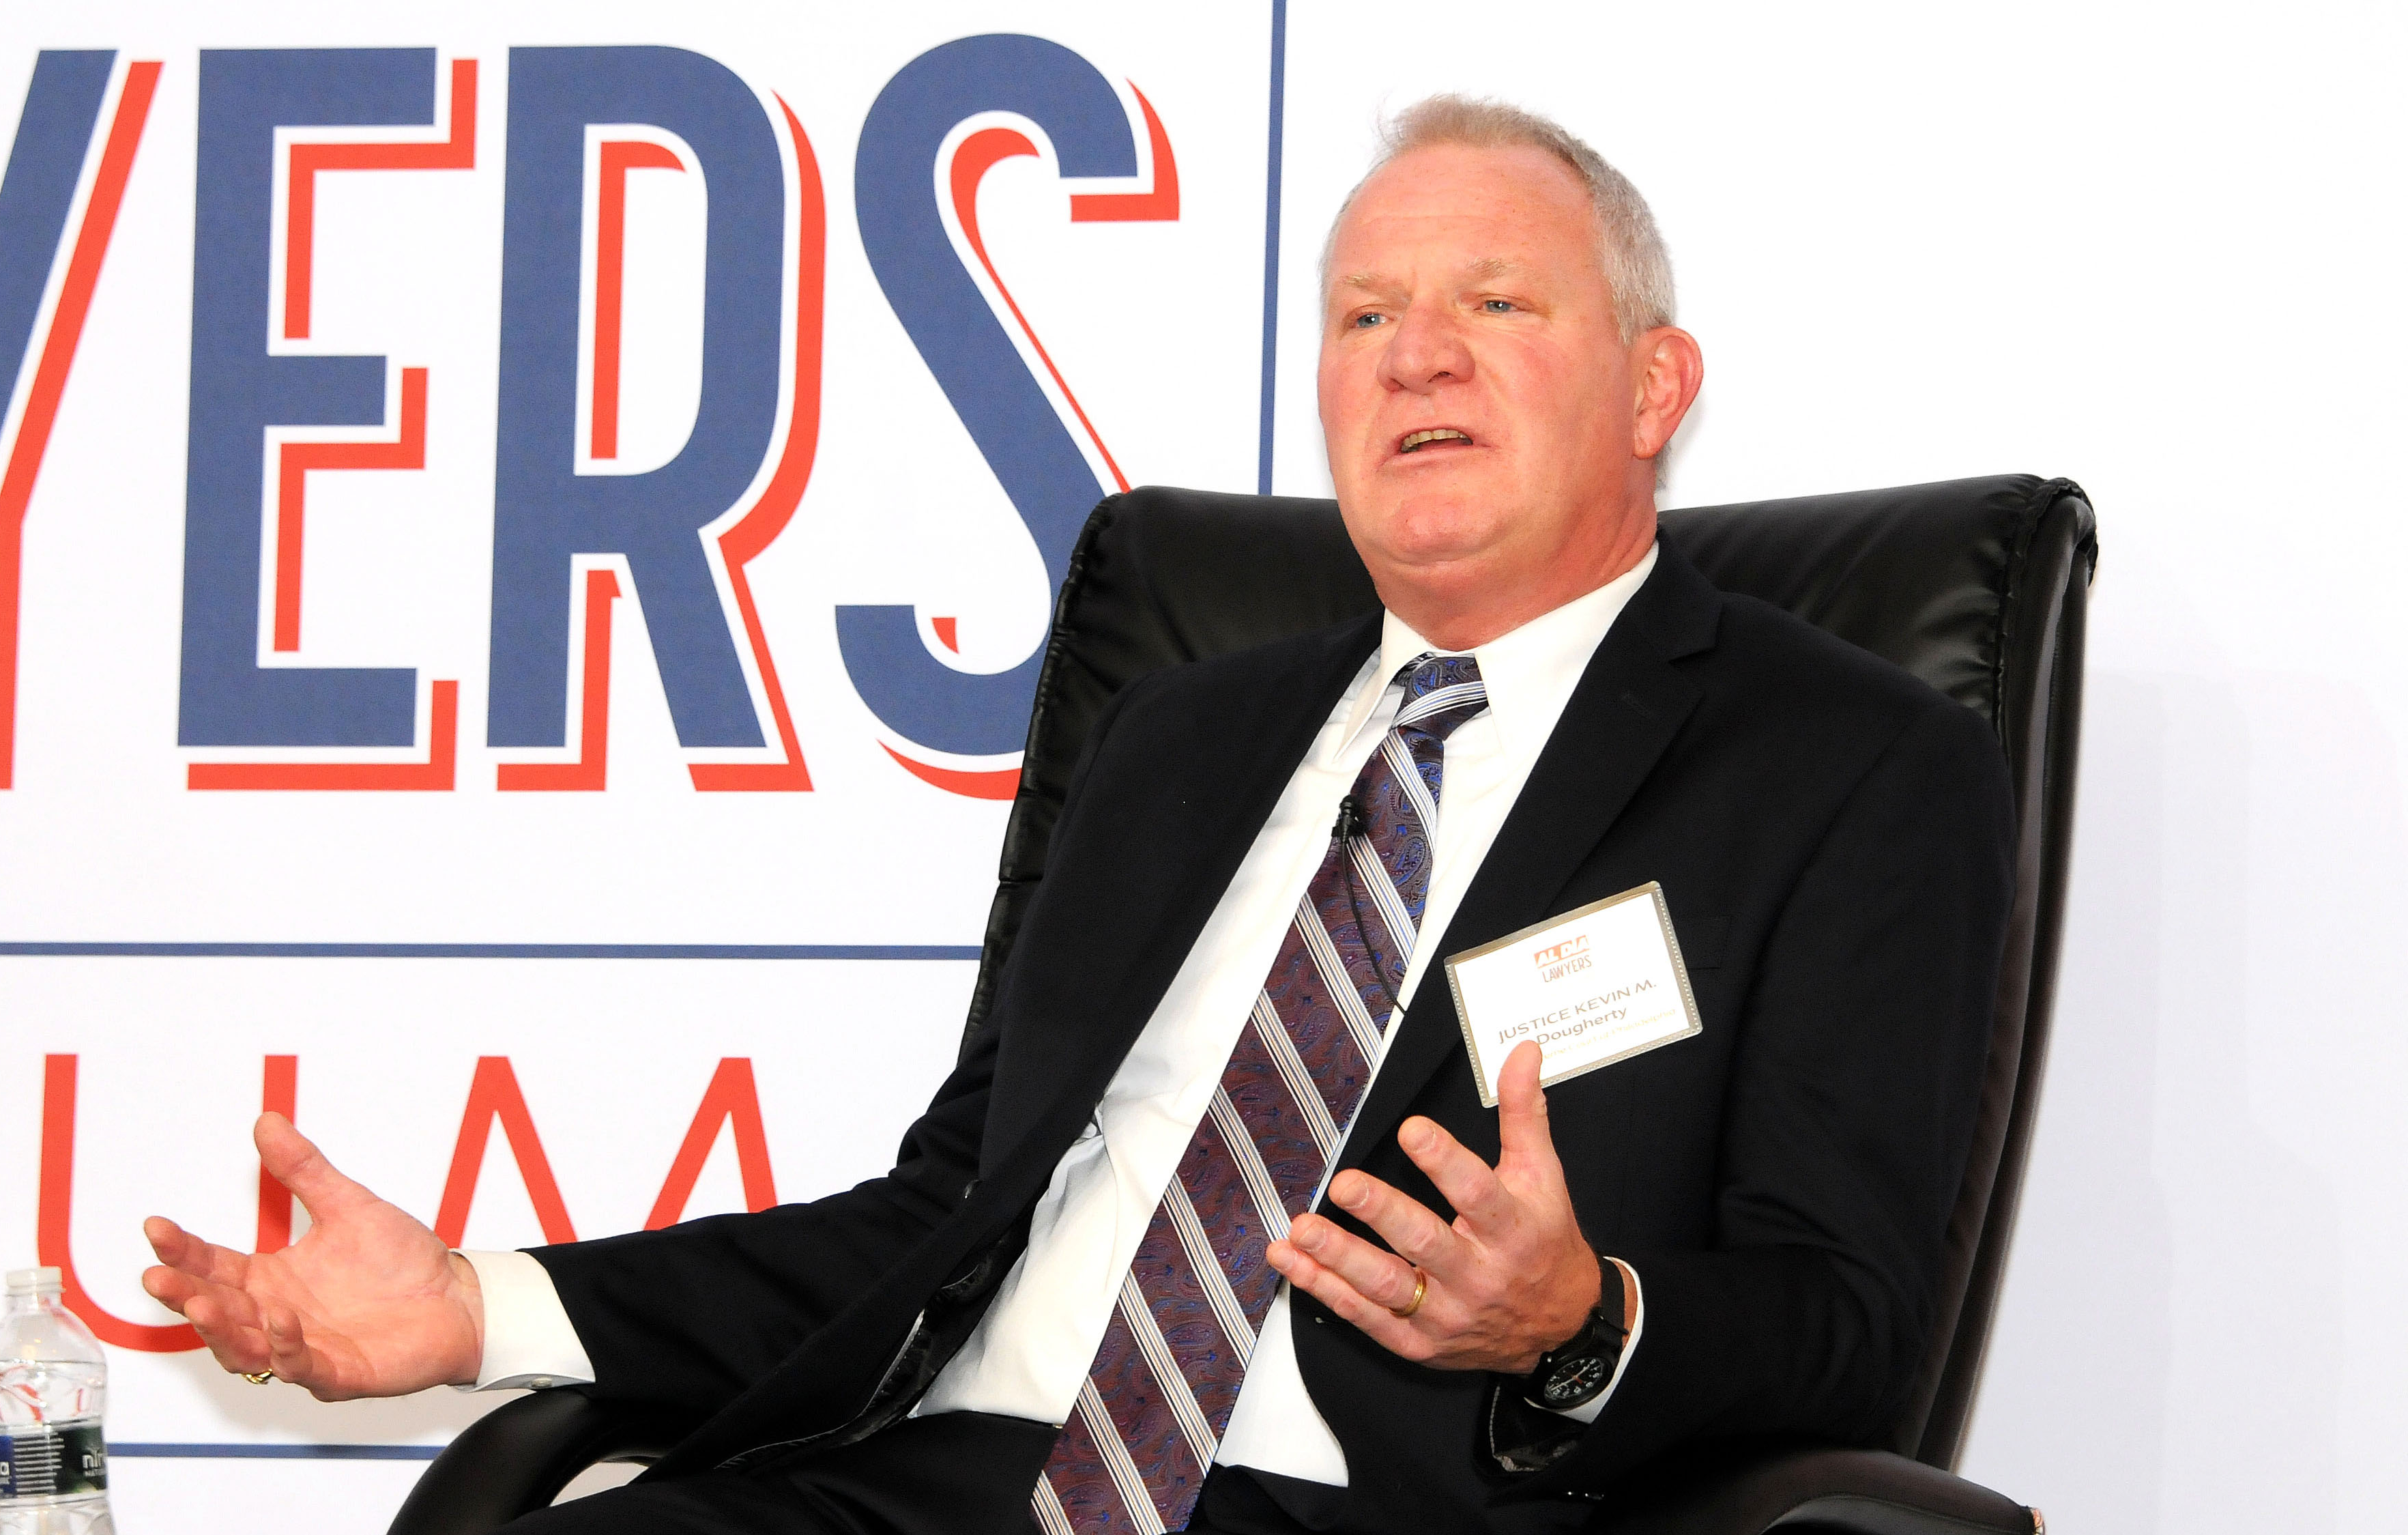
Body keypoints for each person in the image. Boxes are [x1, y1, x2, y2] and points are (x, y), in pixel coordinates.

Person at [144, 96, 2012, 1534]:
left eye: (1494, 303)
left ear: (1653, 386)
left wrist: (1576, 1314)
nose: (1413, 354)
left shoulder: (1846, 762)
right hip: (943, 1483)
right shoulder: (1189, 737)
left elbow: (1847, 1317)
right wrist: (470, 1308)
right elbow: (941, 1219)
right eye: (1364, 313)